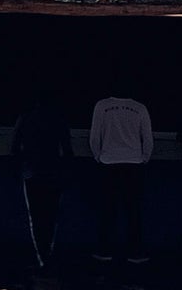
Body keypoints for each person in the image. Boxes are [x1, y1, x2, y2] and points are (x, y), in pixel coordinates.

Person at [88, 90, 154, 262]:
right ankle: (136, 251)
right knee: (133, 209)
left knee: (108, 209)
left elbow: (95, 137)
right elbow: (147, 138)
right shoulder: (139, 108)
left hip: (109, 162)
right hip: (133, 163)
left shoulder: (102, 106)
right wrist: (143, 159)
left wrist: (99, 157)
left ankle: (104, 250)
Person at [11, 90, 73, 264]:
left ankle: (41, 255)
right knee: (51, 215)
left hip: (32, 171)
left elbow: (15, 148)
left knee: (36, 216)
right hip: (54, 171)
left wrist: (18, 169)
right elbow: (67, 149)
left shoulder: (25, 118)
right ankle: (48, 252)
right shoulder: (59, 120)